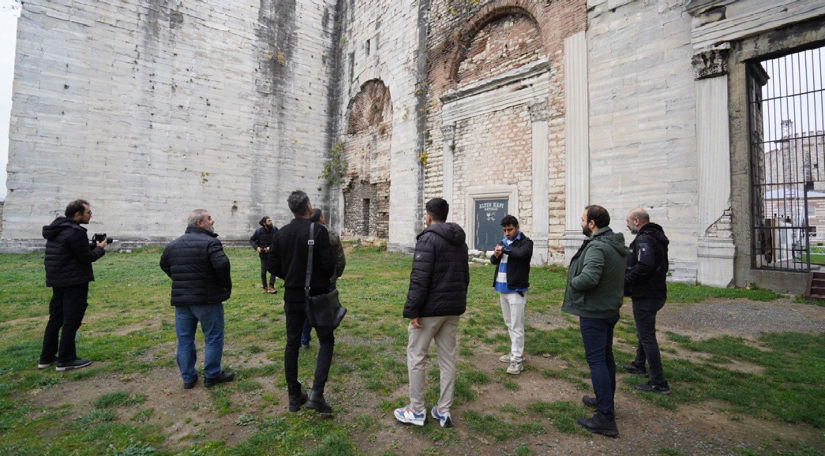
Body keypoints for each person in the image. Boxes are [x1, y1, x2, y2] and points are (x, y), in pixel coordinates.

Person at [394, 198, 469, 428]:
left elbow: (419, 278)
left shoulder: (428, 239)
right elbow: (465, 277)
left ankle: (417, 410)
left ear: (428, 216)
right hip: (452, 308)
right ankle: (443, 410)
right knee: (448, 359)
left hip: (430, 310)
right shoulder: (460, 241)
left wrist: (413, 310)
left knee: (416, 357)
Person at [562, 205, 629, 438]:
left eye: (582, 220)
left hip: (595, 312)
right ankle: (605, 403)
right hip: (608, 309)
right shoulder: (613, 243)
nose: (581, 223)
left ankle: (605, 419)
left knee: (597, 361)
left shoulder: (598, 246)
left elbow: (590, 277)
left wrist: (573, 282)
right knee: (606, 356)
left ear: (592, 223)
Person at [268, 191, 337, 413]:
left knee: (292, 343)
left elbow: (272, 265)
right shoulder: (318, 231)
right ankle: (316, 393)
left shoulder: (282, 234)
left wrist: (290, 276)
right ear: (308, 207)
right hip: (317, 294)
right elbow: (329, 265)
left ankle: (293, 395)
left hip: (292, 295)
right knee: (326, 340)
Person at [160, 209, 234, 389]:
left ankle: (188, 378)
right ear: (200, 223)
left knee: (184, 339)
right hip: (207, 299)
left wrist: (181, 280)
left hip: (183, 300)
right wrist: (224, 286)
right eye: (209, 218)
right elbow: (222, 264)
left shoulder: (173, 244)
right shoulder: (211, 243)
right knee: (213, 336)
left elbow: (164, 264)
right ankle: (212, 374)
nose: (213, 220)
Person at [39, 199, 108, 371]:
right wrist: (101, 248)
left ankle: (46, 358)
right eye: (88, 213)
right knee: (71, 320)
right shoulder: (75, 231)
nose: (90, 216)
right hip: (74, 281)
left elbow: (70, 251)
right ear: (78, 214)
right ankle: (66, 359)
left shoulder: (58, 229)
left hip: (58, 279)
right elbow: (86, 257)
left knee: (55, 319)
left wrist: (91, 245)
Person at [623, 208, 671, 394]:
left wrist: (626, 279)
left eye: (627, 221)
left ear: (636, 221)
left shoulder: (644, 239)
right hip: (657, 293)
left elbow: (644, 266)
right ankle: (639, 364)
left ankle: (658, 382)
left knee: (647, 336)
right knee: (645, 332)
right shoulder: (656, 236)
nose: (626, 225)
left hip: (647, 294)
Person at [490, 215, 533, 375]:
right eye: (504, 230)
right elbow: (494, 261)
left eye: (510, 230)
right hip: (502, 288)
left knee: (517, 325)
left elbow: (521, 254)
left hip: (516, 290)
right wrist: (496, 254)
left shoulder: (526, 243)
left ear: (517, 227)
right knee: (509, 324)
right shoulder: (504, 242)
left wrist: (504, 249)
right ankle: (515, 352)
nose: (507, 233)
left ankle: (517, 360)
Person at [301, 208, 346, 349]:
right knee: (327, 310)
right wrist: (336, 274)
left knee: (308, 311)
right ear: (321, 218)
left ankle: (304, 340)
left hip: (307, 281)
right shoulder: (331, 234)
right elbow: (340, 258)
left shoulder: (303, 233)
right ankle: (326, 342)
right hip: (327, 280)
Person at [250, 216, 278, 293]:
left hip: (272, 254)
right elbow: (252, 240)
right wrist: (257, 247)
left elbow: (278, 241)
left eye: (271, 220)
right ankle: (265, 287)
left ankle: (271, 287)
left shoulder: (275, 230)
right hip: (263, 255)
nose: (271, 222)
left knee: (273, 271)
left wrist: (270, 248)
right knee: (263, 272)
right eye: (269, 221)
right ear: (264, 223)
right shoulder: (259, 231)